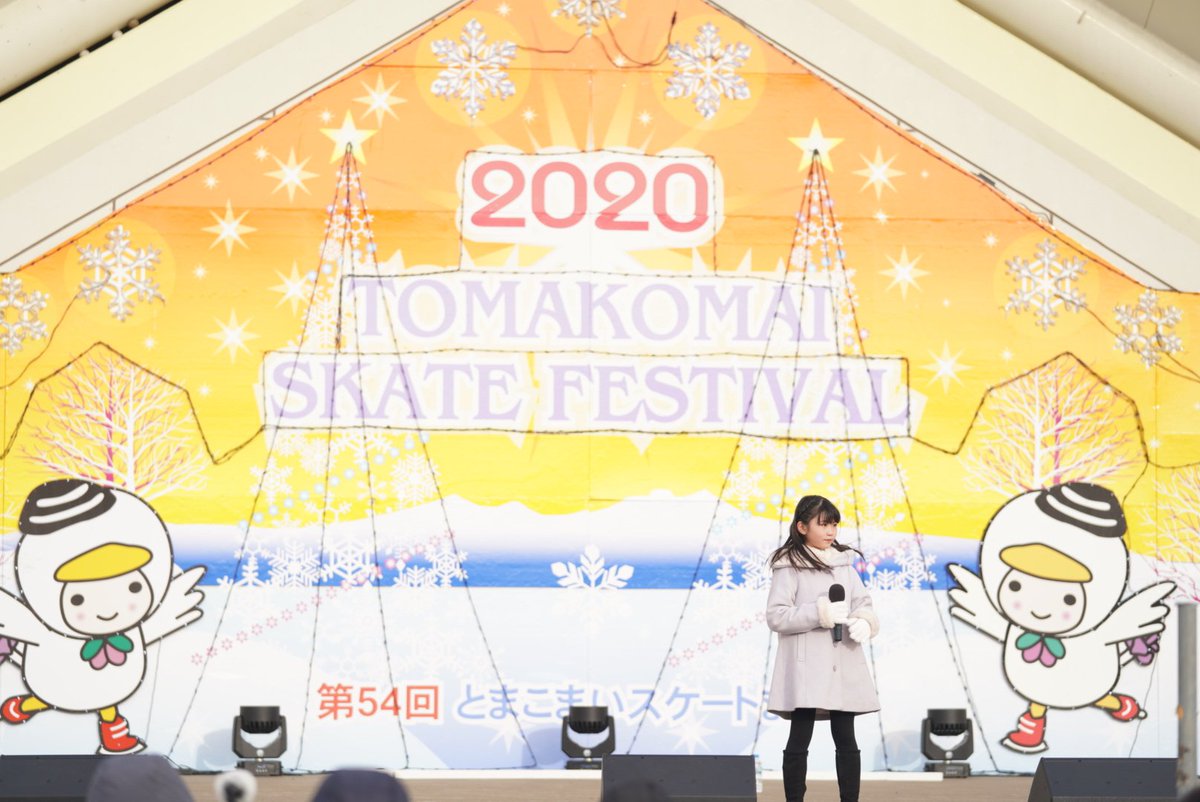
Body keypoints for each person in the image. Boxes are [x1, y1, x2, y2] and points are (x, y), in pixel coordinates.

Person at [765, 495, 880, 802]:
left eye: (834, 524)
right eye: (823, 524)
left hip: (842, 663)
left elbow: (863, 602)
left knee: (846, 739)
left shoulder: (844, 565)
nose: (831, 531)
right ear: (802, 527)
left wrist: (865, 620)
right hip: (807, 668)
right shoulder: (789, 566)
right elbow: (777, 616)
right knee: (799, 738)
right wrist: (820, 613)